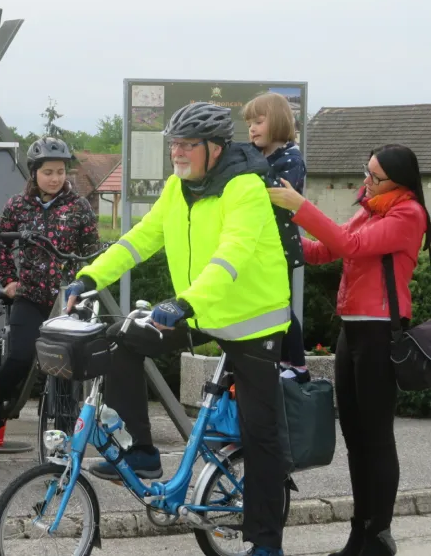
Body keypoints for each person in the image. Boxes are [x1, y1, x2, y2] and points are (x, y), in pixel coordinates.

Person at [65, 102, 292, 556]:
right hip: (202, 312)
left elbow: (233, 254)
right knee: (122, 342)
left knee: (260, 435)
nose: (178, 153)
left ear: (215, 147)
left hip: (252, 323)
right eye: (174, 145)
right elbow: (140, 238)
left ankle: (267, 544)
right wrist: (91, 275)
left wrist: (185, 301)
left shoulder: (245, 187)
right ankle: (144, 453)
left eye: (188, 145)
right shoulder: (178, 188)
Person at [270, 144, 429, 556]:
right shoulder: (371, 207)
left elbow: (348, 245)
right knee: (355, 438)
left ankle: (379, 535)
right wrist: (281, 237)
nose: (366, 181)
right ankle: (359, 534)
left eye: (374, 177)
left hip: (379, 334)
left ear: (399, 181)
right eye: (366, 172)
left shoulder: (407, 214)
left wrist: (302, 206)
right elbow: (324, 249)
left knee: (376, 438)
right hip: (352, 331)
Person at [0, 136, 100, 451]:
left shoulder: (79, 207)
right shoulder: (17, 205)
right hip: (31, 296)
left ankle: (65, 435)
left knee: (71, 368)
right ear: (34, 172)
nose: (55, 178)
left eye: (61, 171)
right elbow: (3, 243)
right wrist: (10, 279)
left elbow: (93, 252)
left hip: (68, 300)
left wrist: (87, 280)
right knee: (20, 358)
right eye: (48, 171)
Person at [244, 92, 310, 382]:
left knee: (281, 307)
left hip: (280, 246)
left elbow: (275, 194)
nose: (252, 128)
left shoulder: (291, 159)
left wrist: (250, 167)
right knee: (264, 305)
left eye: (258, 121)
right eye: (250, 124)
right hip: (257, 244)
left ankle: (296, 364)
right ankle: (277, 359)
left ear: (279, 122)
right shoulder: (259, 157)